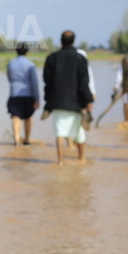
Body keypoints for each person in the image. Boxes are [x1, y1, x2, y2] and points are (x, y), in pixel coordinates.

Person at [41, 30, 94, 165]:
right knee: (79, 133)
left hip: (57, 102)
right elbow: (84, 83)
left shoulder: (51, 58)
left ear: (61, 41)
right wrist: (88, 100)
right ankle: (81, 158)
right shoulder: (80, 59)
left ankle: (60, 161)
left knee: (59, 132)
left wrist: (48, 100)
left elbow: (47, 82)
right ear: (74, 41)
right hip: (76, 103)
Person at [4, 42, 40, 145]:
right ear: (27, 52)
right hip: (28, 94)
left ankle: (16, 139)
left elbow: (9, 78)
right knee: (28, 117)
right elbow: (34, 83)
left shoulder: (11, 63)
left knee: (16, 116)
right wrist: (37, 98)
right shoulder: (30, 65)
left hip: (14, 93)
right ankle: (27, 139)